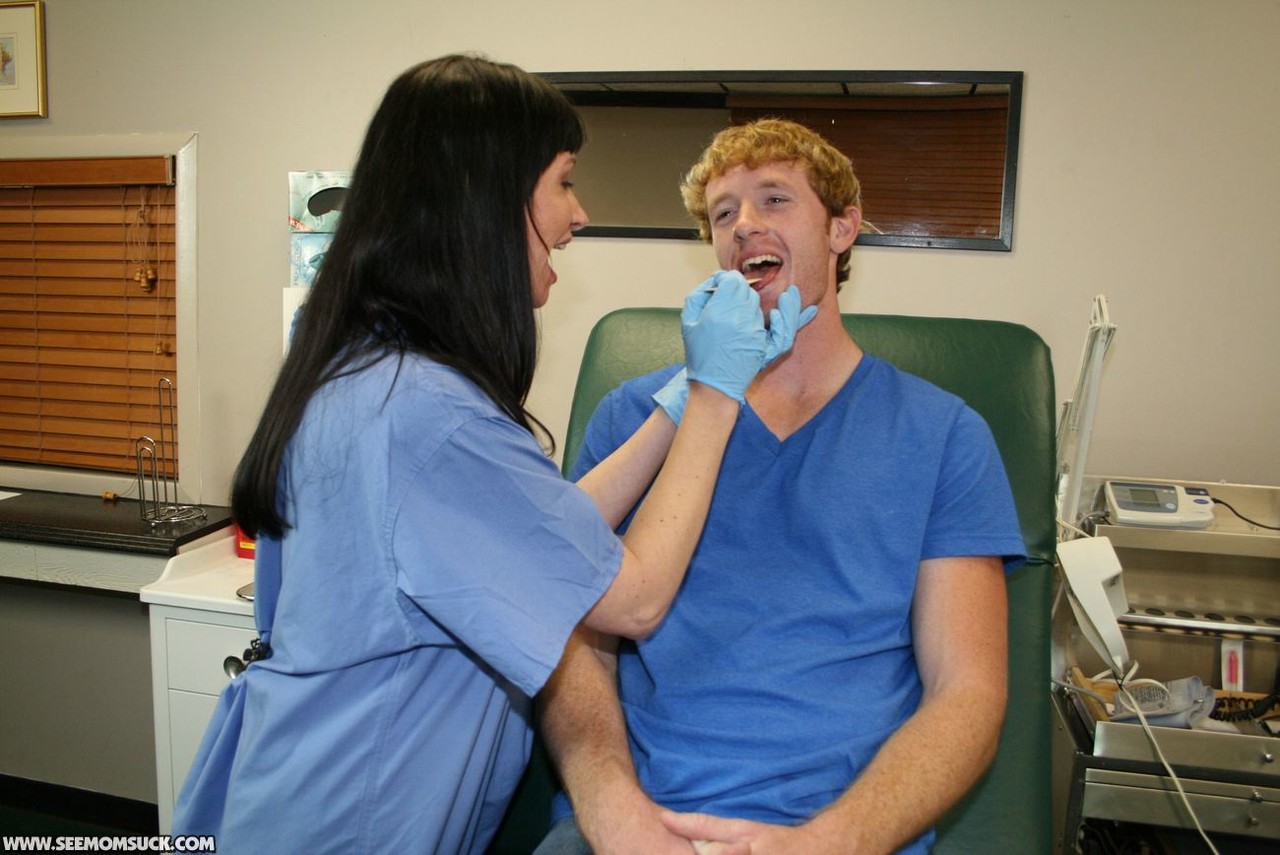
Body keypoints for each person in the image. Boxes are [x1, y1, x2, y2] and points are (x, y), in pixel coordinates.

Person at [172, 57, 810, 854]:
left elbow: (542, 538)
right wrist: (716, 395)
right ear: (490, 198)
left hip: (303, 784)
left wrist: (680, 396)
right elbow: (633, 598)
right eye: (564, 182)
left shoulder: (370, 371)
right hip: (351, 821)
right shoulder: (428, 417)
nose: (579, 213)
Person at [534, 118, 1027, 855]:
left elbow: (968, 692)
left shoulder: (943, 435)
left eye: (774, 199)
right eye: (722, 213)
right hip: (643, 824)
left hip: (842, 833)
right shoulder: (635, 420)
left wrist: (832, 840)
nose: (743, 225)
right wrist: (613, 809)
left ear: (842, 229)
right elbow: (573, 642)